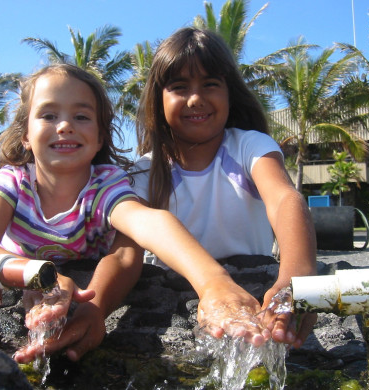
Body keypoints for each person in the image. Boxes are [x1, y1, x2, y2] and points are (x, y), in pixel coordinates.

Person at [0, 63, 267, 366]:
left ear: (100, 137)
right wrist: (40, 278)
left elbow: (144, 229)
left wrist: (213, 282)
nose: (65, 125)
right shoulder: (13, 182)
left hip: (86, 294)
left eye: (81, 116)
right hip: (31, 287)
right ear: (25, 134)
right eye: (48, 115)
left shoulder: (106, 184)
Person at [131, 27, 317, 349]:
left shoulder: (250, 147)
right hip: (174, 296)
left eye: (210, 84)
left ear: (230, 92)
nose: (195, 99)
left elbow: (285, 199)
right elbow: (125, 250)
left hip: (253, 293)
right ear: (157, 99)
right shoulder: (144, 172)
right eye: (179, 87)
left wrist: (293, 281)